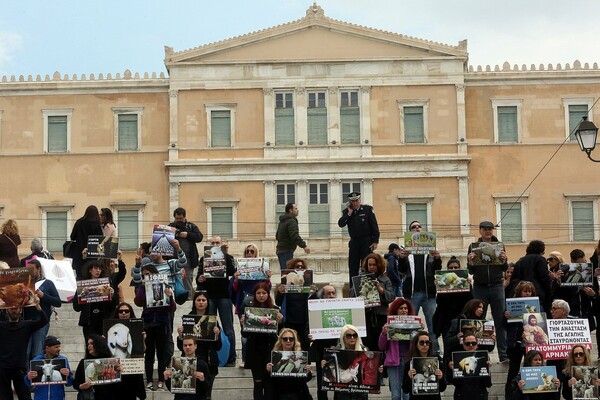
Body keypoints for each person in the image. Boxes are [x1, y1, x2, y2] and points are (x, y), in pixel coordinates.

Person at [467, 220, 509, 362]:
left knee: (500, 320)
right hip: (480, 287)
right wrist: (470, 261)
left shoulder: (500, 246)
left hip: (497, 285)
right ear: (480, 230)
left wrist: (504, 260)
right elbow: (471, 270)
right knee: (479, 320)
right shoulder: (473, 247)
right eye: (485, 229)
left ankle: (503, 355)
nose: (488, 231)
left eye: (490, 229)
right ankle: (480, 353)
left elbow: (504, 268)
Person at [398, 220, 442, 354]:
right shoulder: (406, 252)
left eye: (419, 226)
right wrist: (401, 258)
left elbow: (437, 270)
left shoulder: (429, 251)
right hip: (412, 294)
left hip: (429, 294)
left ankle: (435, 352)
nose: (417, 228)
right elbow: (402, 270)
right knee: (409, 325)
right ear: (410, 232)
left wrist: (438, 258)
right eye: (413, 227)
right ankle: (409, 352)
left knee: (432, 325)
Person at [134, 263, 176, 391]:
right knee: (149, 353)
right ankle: (149, 380)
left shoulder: (165, 286)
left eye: (148, 274)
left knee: (162, 353)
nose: (146, 276)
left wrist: (169, 296)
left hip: (162, 323)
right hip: (148, 323)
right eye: (144, 274)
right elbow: (138, 302)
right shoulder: (142, 287)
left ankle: (162, 380)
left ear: (154, 274)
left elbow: (172, 308)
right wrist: (142, 287)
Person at [196, 235, 237, 366]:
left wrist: (225, 255)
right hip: (209, 297)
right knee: (208, 328)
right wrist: (200, 279)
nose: (215, 244)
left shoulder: (228, 257)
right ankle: (210, 357)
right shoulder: (203, 258)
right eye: (213, 242)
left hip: (224, 296)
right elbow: (198, 276)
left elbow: (233, 271)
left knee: (228, 328)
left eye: (217, 242)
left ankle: (231, 358)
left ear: (221, 244)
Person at [229, 243, 272, 368]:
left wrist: (268, 278)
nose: (249, 253)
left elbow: (267, 288)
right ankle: (245, 359)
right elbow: (233, 289)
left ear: (256, 253)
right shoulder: (239, 268)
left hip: (261, 304)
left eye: (252, 251)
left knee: (262, 332)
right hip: (244, 303)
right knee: (245, 334)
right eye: (247, 251)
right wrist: (235, 278)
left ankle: (262, 360)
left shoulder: (263, 267)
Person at [175, 291, 222, 399]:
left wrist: (217, 336)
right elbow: (181, 346)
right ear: (194, 302)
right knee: (186, 393)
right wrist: (180, 335)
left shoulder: (212, 319)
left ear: (207, 302)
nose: (201, 302)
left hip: (209, 361)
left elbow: (218, 347)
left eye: (203, 300)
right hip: (189, 361)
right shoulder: (188, 318)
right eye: (198, 300)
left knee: (206, 394)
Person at [0, 295, 48, 400]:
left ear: (21, 311)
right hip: (3, 368)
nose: (13, 310)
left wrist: (38, 306)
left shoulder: (26, 325)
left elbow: (44, 321)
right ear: (6, 311)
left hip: (20, 367)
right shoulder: (1, 325)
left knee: (25, 397)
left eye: (16, 308)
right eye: (11, 308)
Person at [241, 282, 283, 400]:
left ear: (268, 294)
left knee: (269, 383)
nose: (261, 295)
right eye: (258, 293)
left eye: (264, 293)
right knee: (258, 383)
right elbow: (245, 334)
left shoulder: (275, 310)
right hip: (255, 351)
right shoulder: (249, 311)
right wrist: (243, 324)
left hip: (270, 350)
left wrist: (281, 322)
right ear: (254, 295)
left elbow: (282, 334)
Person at [337, 191, 380, 289]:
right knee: (353, 266)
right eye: (353, 201)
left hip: (366, 241)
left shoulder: (367, 210)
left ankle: (368, 288)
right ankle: (353, 289)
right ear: (350, 202)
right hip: (354, 242)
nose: (355, 203)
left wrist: (375, 240)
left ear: (359, 200)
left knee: (366, 265)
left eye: (356, 200)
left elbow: (374, 226)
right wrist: (349, 214)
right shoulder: (347, 212)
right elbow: (340, 223)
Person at [379, 297, 418, 400]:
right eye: (401, 308)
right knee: (396, 395)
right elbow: (381, 346)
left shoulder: (415, 324)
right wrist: (384, 333)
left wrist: (420, 331)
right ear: (395, 310)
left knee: (407, 394)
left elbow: (420, 345)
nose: (404, 310)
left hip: (409, 361)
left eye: (406, 308)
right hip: (393, 363)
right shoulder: (388, 325)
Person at [72, 259, 119, 344]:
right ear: (90, 270)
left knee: (103, 346)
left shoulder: (106, 284)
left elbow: (113, 306)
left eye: (100, 269)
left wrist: (112, 295)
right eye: (96, 268)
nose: (98, 271)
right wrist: (81, 296)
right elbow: (76, 307)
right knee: (90, 345)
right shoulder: (83, 285)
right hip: (89, 322)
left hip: (103, 321)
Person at [320, 324, 373, 400]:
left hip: (360, 391)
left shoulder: (364, 350)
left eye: (354, 335)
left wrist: (378, 368)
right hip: (342, 391)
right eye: (348, 335)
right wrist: (324, 364)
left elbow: (370, 369)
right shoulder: (334, 351)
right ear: (343, 337)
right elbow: (329, 372)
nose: (352, 338)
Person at [23, 259, 62, 362]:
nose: (30, 271)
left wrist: (43, 295)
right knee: (26, 352)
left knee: (37, 351)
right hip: (26, 321)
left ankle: (37, 375)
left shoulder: (48, 283)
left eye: (32, 269)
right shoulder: (24, 283)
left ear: (38, 269)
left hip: (41, 321)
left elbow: (58, 301)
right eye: (28, 269)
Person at [504, 280, 537, 400]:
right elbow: (503, 325)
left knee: (532, 370)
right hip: (516, 343)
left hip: (531, 344)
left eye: (530, 291)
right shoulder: (511, 305)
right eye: (525, 291)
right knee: (513, 371)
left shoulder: (537, 304)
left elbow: (542, 321)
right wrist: (506, 317)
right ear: (519, 292)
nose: (528, 293)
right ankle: (510, 396)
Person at [276, 258, 316, 351]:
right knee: (289, 346)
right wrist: (280, 292)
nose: (300, 268)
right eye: (297, 266)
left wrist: (314, 293)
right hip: (289, 321)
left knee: (304, 347)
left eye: (302, 267)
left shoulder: (308, 285)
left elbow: (314, 303)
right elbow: (278, 302)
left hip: (304, 322)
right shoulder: (286, 285)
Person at [432, 256, 473, 347]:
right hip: (446, 319)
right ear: (447, 269)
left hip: (461, 318)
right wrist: (439, 287)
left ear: (459, 268)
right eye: (451, 268)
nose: (453, 269)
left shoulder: (463, 281)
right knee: (448, 344)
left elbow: (470, 300)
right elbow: (439, 301)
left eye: (456, 267)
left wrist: (469, 286)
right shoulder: (444, 281)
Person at [357, 253, 394, 352]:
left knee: (381, 344)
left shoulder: (385, 280)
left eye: (374, 265)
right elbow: (353, 295)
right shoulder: (360, 279)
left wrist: (380, 289)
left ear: (379, 265)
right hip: (366, 316)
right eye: (370, 265)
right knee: (367, 344)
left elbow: (391, 297)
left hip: (380, 315)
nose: (372, 267)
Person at [111, 302, 147, 400]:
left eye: (126, 311)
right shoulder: (111, 328)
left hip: (132, 368)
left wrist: (142, 340)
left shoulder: (137, 327)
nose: (123, 313)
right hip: (117, 368)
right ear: (117, 313)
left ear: (130, 313)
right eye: (121, 311)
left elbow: (142, 350)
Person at [445, 299, 496, 366]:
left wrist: (492, 341)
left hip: (478, 359)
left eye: (482, 308)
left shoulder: (485, 324)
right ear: (472, 307)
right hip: (460, 358)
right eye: (479, 307)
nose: (481, 310)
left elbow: (489, 349)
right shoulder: (457, 322)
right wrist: (456, 338)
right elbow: (447, 342)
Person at [309, 284, 338, 400]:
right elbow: (309, 326)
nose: (331, 296)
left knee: (339, 379)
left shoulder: (342, 307)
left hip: (337, 347)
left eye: (333, 293)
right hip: (321, 349)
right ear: (323, 296)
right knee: (322, 381)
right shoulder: (315, 309)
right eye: (328, 293)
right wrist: (310, 335)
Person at [266, 328, 313, 400]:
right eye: (285, 339)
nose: (288, 341)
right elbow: (268, 380)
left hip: (297, 394)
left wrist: (308, 372)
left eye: (291, 339)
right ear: (281, 340)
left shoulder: (301, 355)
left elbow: (306, 379)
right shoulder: (274, 356)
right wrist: (268, 370)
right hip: (279, 393)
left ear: (294, 341)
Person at [73, 334, 122, 400]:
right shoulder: (83, 362)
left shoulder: (112, 362)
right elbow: (75, 382)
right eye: (88, 344)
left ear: (99, 344)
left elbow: (119, 386)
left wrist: (120, 373)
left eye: (92, 343)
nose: (89, 346)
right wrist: (81, 386)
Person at [25, 336, 73, 400]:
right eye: (56, 347)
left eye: (59, 346)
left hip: (58, 397)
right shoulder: (36, 360)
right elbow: (28, 383)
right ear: (47, 348)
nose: (59, 349)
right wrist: (28, 377)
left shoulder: (63, 360)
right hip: (40, 397)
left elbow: (69, 383)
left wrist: (68, 375)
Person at [169, 207, 203, 297]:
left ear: (184, 217)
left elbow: (199, 237)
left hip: (188, 259)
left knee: (187, 279)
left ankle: (188, 298)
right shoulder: (170, 227)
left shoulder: (191, 226)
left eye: (180, 218)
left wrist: (187, 235)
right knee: (173, 279)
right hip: (174, 259)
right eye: (177, 218)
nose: (178, 220)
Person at [402, 331, 446, 400]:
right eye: (421, 342)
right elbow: (405, 389)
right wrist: (409, 378)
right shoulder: (410, 362)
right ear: (416, 344)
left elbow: (443, 388)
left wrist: (441, 378)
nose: (425, 345)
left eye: (427, 342)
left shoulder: (437, 360)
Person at [164, 336, 210, 400]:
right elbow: (172, 389)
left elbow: (207, 388)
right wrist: (167, 378)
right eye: (185, 345)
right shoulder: (177, 363)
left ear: (195, 346)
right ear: (182, 347)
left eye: (190, 345)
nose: (187, 347)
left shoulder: (202, 364)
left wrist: (203, 379)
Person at [446, 335, 492, 400]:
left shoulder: (484, 358)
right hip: (461, 395)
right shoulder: (456, 359)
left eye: (473, 343)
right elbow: (453, 382)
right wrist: (451, 370)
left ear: (477, 345)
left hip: (480, 395)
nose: (471, 345)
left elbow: (488, 384)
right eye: (467, 343)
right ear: (464, 346)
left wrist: (488, 370)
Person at [511, 240, 552, 312]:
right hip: (536, 294)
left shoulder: (520, 261)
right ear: (541, 250)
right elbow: (544, 278)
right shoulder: (540, 260)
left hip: (521, 295)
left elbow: (514, 278)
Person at [70, 205, 103, 280]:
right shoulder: (96, 225)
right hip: (92, 256)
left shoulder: (79, 222)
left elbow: (72, 236)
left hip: (79, 255)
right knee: (90, 279)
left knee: (80, 278)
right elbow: (100, 240)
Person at [276, 202, 311, 269]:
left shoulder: (282, 221)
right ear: (290, 210)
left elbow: (277, 236)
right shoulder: (291, 221)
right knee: (287, 272)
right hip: (287, 249)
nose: (298, 210)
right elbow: (294, 235)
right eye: (295, 208)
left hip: (280, 249)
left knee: (284, 271)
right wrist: (304, 246)